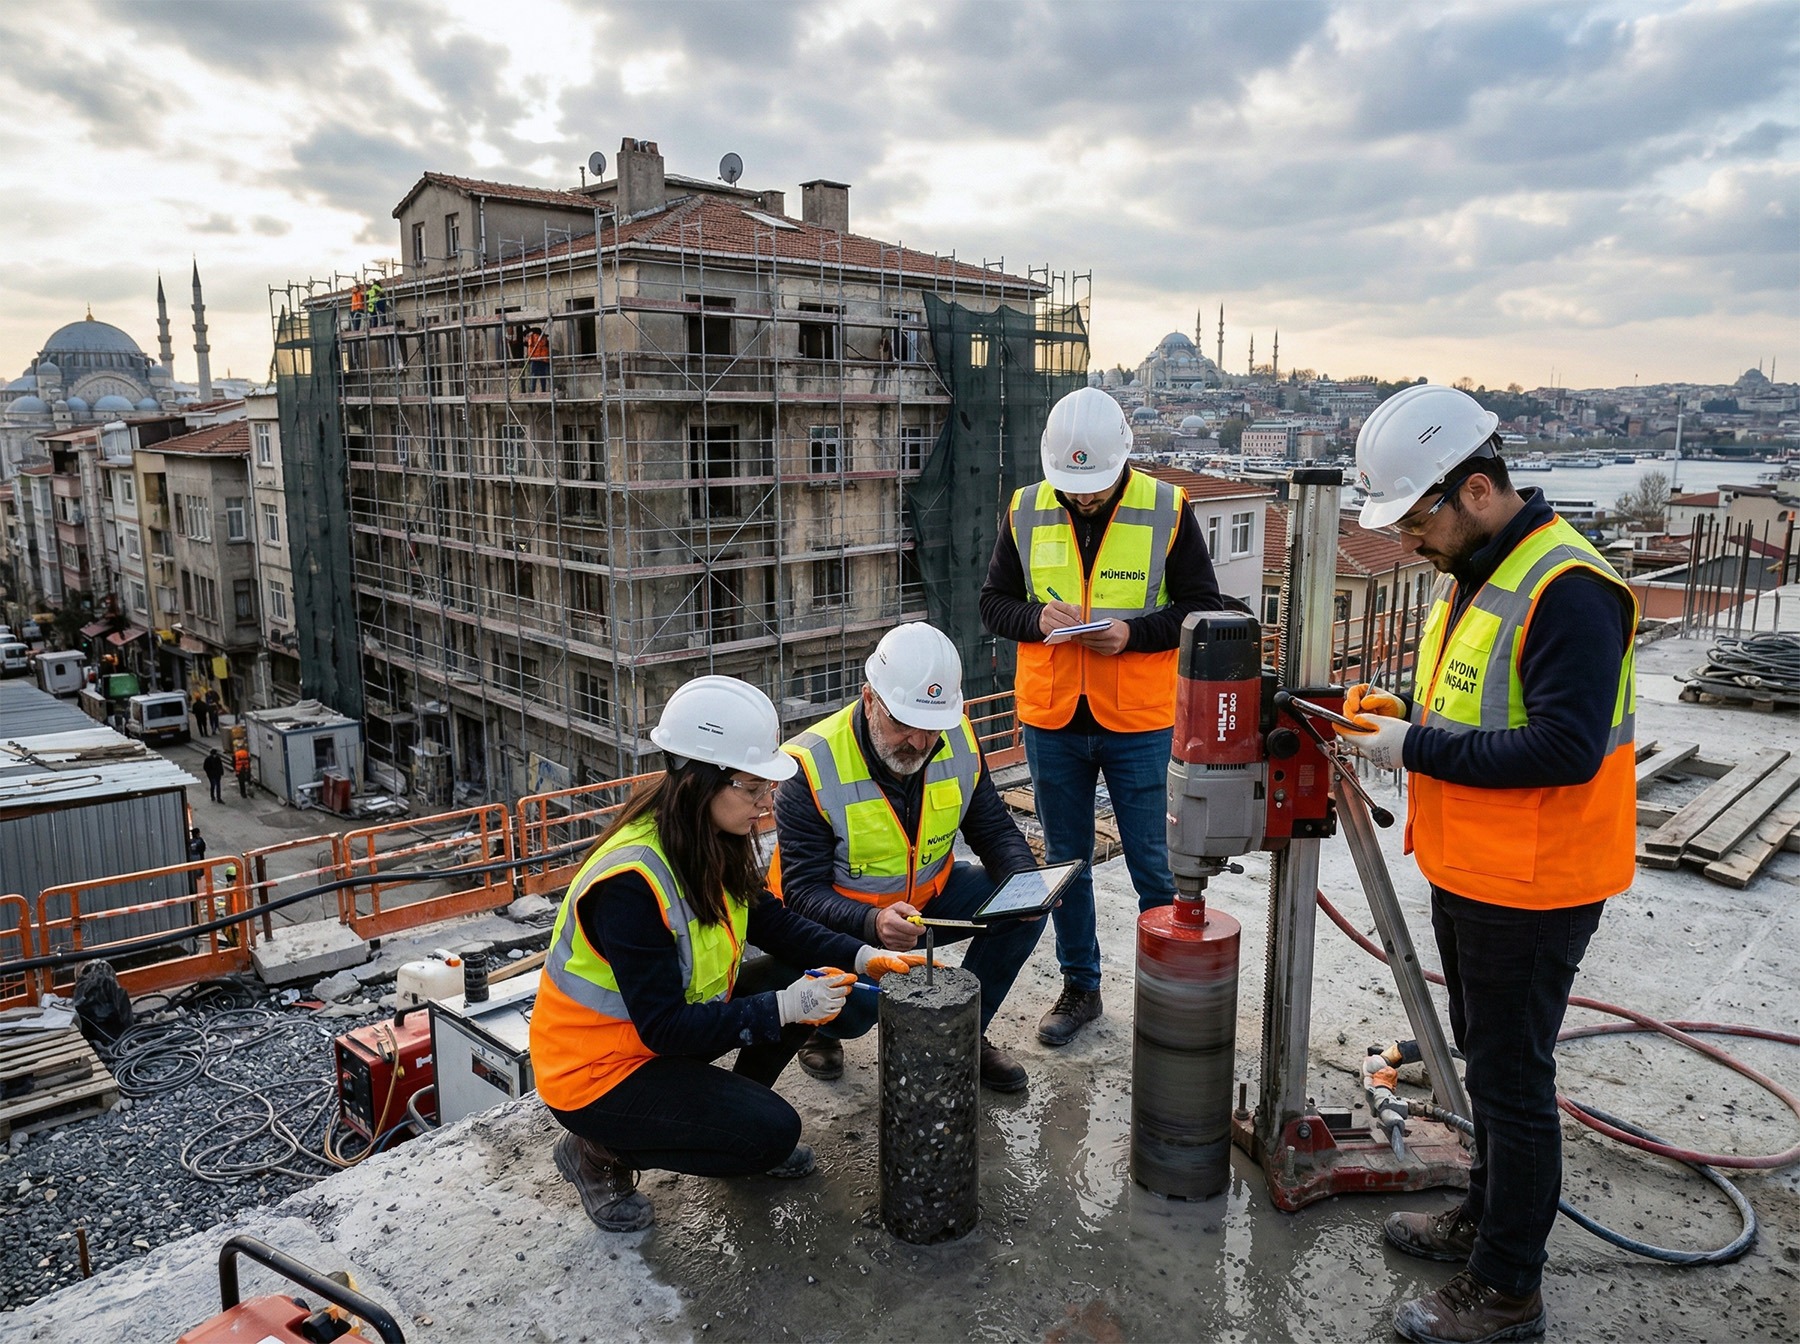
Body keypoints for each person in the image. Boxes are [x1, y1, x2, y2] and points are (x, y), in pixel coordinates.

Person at [1336, 383, 1637, 1344]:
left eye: (1416, 518)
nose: (1408, 541)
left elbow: (1563, 748)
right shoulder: (1475, 575)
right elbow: (1480, 711)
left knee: (1512, 1081)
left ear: (1472, 490)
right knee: (1485, 1064)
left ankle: (1508, 1289)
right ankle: (1482, 1219)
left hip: (1536, 883)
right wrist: (1405, 719)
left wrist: (1413, 753)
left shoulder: (1569, 590)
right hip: (1474, 867)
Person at [529, 675, 923, 1233]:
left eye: (767, 788)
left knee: (813, 983)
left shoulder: (710, 834)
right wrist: (783, 1010)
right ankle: (597, 1151)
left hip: (657, 1039)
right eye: (752, 787)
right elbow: (665, 1028)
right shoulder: (630, 883)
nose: (766, 805)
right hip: (597, 1072)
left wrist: (861, 956)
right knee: (773, 1132)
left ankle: (728, 1125)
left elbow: (774, 923)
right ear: (698, 781)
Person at [980, 386, 1234, 1048]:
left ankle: (1168, 989)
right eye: (1074, 486)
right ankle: (1080, 986)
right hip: (1053, 717)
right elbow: (993, 603)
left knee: (1153, 860)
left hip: (1139, 721)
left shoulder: (1166, 508)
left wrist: (1134, 633)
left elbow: (1200, 606)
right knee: (1066, 862)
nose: (1083, 498)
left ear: (1124, 459)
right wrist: (1034, 618)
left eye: (1094, 487)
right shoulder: (1028, 508)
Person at [770, 622, 1045, 1093]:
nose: (918, 743)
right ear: (870, 698)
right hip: (839, 925)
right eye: (903, 724)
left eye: (931, 728)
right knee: (858, 1013)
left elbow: (993, 828)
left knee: (1020, 912)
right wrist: (872, 924)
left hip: (926, 901)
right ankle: (816, 1028)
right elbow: (800, 893)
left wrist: (1025, 882)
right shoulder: (809, 765)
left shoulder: (956, 739)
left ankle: (961, 1033)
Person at [524, 326, 551, 393]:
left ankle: (532, 392)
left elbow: (529, 346)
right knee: (543, 377)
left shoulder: (532, 337)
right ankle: (543, 391)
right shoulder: (543, 338)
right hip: (543, 360)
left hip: (535, 359)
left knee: (533, 377)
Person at [186, 827, 206, 895]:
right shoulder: (200, 841)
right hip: (197, 857)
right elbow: (203, 849)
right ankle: (196, 890)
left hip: (191, 857)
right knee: (198, 874)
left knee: (192, 874)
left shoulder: (190, 841)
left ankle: (193, 889)